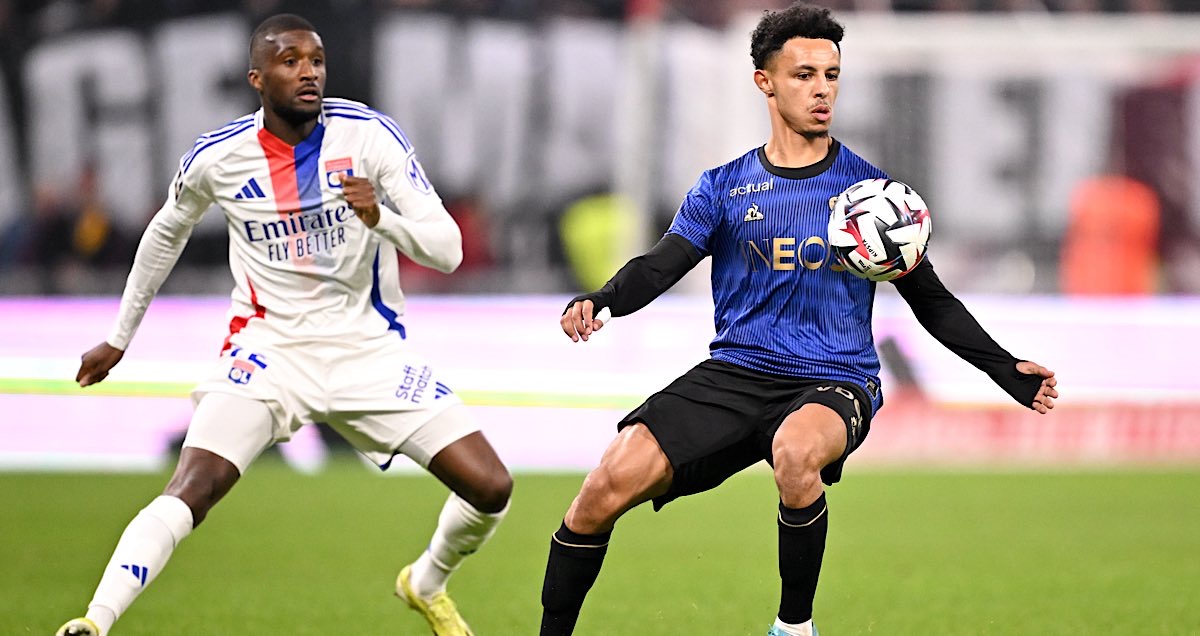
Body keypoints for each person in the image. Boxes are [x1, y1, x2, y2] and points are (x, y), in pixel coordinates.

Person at [538, 4, 1059, 636]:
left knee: (795, 452)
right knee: (601, 488)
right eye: (804, 74)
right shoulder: (724, 187)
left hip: (834, 378)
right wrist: (603, 299)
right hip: (736, 372)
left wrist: (1005, 369)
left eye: (831, 75)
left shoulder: (871, 195)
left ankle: (793, 628)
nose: (822, 90)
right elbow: (662, 263)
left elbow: (932, 299)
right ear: (765, 81)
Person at [57, 14, 510, 636]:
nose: (308, 73)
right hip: (268, 352)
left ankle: (426, 581)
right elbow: (165, 234)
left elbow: (449, 251)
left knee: (491, 486)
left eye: (315, 61)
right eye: (290, 61)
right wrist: (119, 337)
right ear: (257, 78)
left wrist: (382, 219)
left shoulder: (369, 137)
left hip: (368, 352)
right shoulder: (217, 158)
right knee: (193, 487)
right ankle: (94, 622)